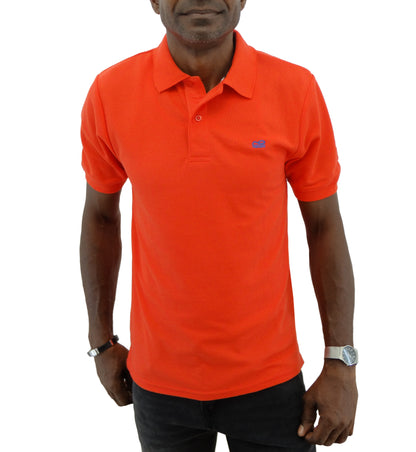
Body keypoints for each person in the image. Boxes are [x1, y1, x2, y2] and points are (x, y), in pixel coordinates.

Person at [80, 1, 358, 450]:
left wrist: (341, 361)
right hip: (158, 384)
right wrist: (101, 342)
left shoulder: (295, 89)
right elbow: (99, 216)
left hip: (269, 381)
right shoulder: (110, 92)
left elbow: (324, 226)